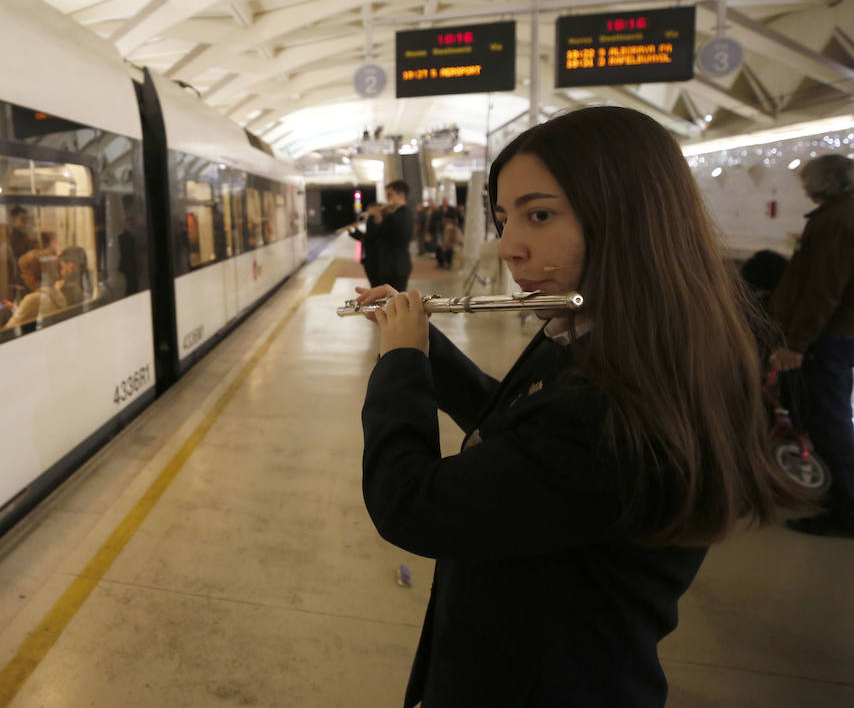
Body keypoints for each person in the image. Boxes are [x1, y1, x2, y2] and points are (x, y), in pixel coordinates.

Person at [353, 106, 804, 707]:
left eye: (539, 215)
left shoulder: (619, 398)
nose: (510, 248)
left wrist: (399, 366)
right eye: (504, 218)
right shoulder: (603, 336)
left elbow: (409, 504)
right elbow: (519, 432)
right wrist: (428, 345)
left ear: (629, 219)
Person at [768, 154, 854, 538]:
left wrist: (797, 342)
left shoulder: (833, 222)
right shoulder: (841, 216)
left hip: (827, 337)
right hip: (838, 334)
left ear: (823, 183)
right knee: (832, 418)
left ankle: (845, 509)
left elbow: (823, 289)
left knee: (829, 421)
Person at [2, 248, 67, 331]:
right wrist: (15, 308)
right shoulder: (57, 293)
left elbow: (8, 329)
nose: (22, 276)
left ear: (31, 276)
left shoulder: (33, 299)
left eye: (23, 273)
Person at [377, 180, 413, 292]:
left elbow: (385, 234)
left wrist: (381, 218)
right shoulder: (402, 213)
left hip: (395, 266)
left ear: (401, 195)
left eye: (390, 194)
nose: (388, 198)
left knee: (394, 301)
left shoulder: (399, 215)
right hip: (397, 265)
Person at [347, 203, 386, 287]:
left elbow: (369, 237)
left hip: (378, 259)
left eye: (370, 209)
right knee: (373, 283)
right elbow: (366, 238)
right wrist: (353, 232)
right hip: (369, 258)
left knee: (378, 284)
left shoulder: (382, 222)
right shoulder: (371, 220)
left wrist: (356, 230)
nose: (368, 211)